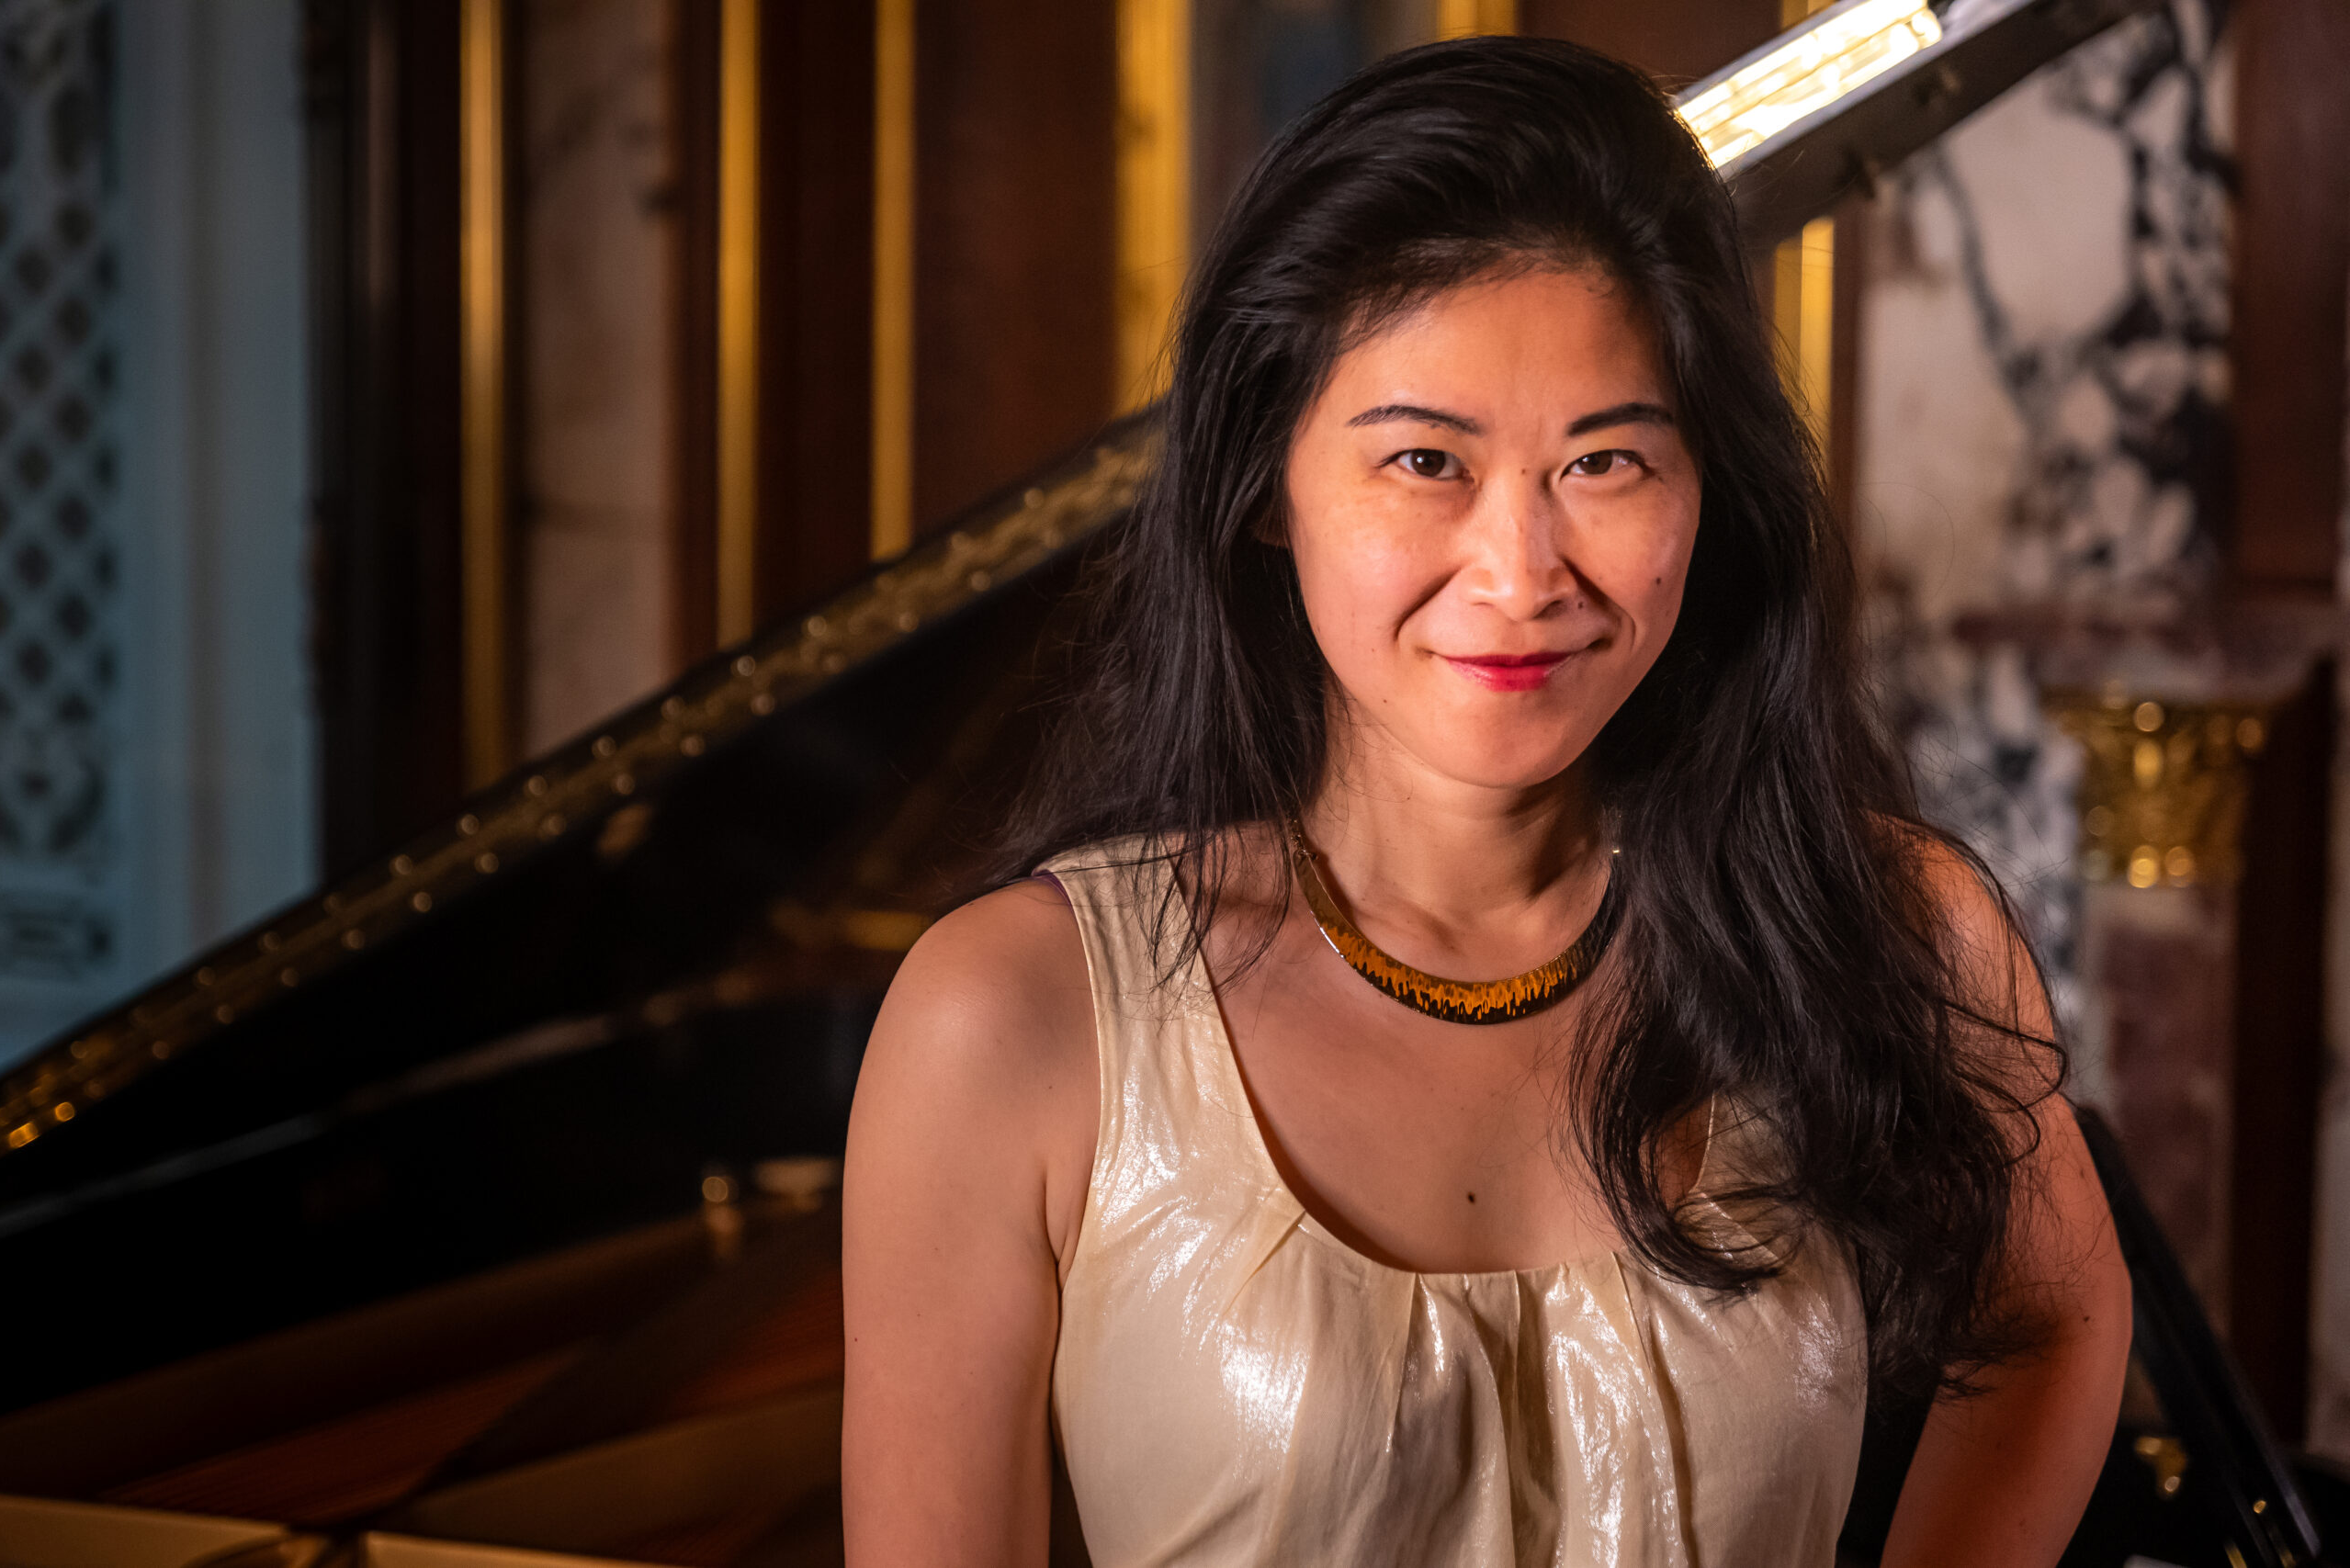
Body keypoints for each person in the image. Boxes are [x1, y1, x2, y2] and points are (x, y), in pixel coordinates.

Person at [840, 35, 2130, 1568]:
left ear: (1707, 490)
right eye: (1425, 461)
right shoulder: (1014, 1015)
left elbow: (2055, 1315)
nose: (1522, 575)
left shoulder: (1893, 927)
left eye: (1605, 461)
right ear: (1266, 486)